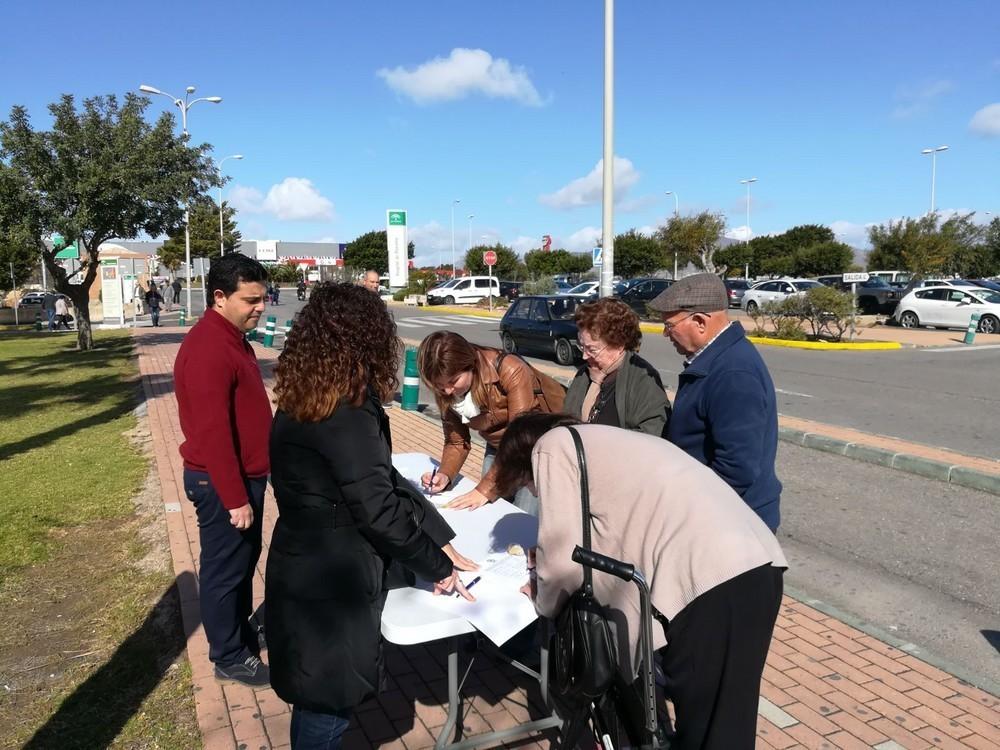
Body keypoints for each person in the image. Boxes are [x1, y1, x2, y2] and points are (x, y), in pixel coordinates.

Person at [494, 412, 787, 750]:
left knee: (709, 731)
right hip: (755, 562)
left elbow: (561, 562)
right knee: (727, 717)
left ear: (523, 461)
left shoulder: (550, 447)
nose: (532, 491)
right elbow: (611, 528)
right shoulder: (604, 440)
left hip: (712, 583)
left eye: (526, 484)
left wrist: (541, 594)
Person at [266, 283, 473, 749]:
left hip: (305, 561)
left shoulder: (309, 392)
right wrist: (438, 567)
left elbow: (379, 481)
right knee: (328, 701)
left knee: (315, 693)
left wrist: (437, 538)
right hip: (333, 579)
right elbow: (378, 508)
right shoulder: (347, 406)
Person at [174, 253, 272, 688]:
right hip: (221, 484)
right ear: (219, 297)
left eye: (262, 299)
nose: (260, 308)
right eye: (251, 300)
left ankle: (239, 636)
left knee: (241, 564)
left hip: (242, 478)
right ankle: (228, 655)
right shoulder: (210, 347)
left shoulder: (231, 337)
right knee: (223, 571)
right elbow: (213, 433)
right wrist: (235, 498)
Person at [649, 273, 782, 531]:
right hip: (717, 513)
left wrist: (691, 513)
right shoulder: (716, 359)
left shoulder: (733, 373)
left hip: (731, 522)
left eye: (670, 326)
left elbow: (737, 469)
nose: (666, 334)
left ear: (699, 321)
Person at [417, 330, 565, 515]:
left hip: (535, 449)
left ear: (469, 364)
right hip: (498, 447)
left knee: (523, 515)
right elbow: (456, 441)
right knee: (492, 512)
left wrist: (484, 490)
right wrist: (444, 474)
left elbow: (519, 438)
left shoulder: (510, 368)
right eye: (439, 385)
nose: (447, 391)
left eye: (454, 381)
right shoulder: (448, 392)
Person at [563, 298, 671, 434]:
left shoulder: (644, 379)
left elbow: (652, 434)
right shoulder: (585, 373)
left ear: (619, 345)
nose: (584, 356)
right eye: (582, 346)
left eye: (592, 350)